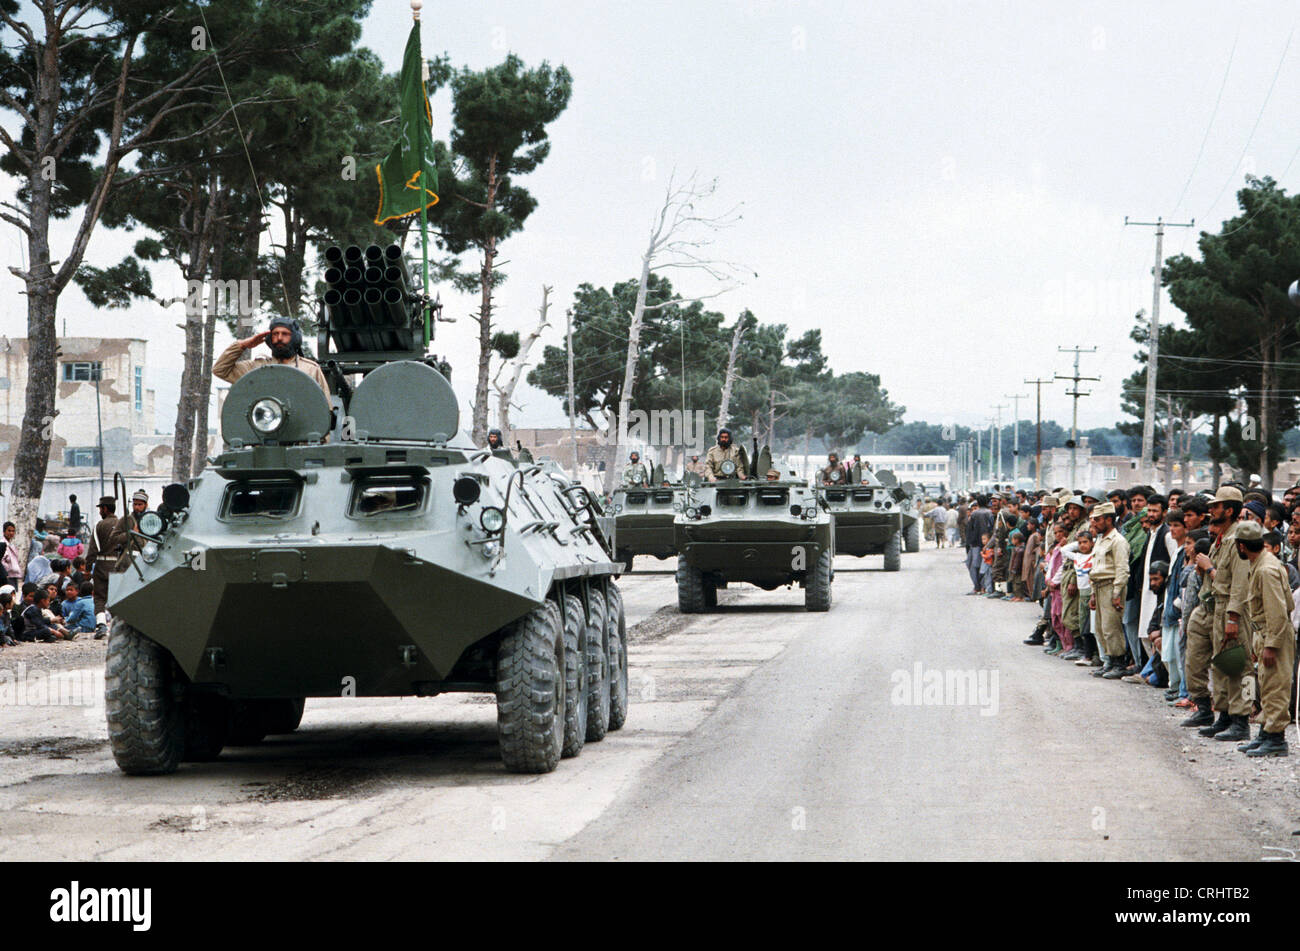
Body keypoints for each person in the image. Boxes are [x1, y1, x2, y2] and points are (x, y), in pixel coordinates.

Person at [1189, 486, 1252, 742]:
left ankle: (1242, 719)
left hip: (1231, 608)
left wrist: (1233, 617)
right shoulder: (1221, 538)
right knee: (1222, 666)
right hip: (1216, 607)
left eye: (1216, 506)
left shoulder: (1240, 539)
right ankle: (1225, 715)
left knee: (1240, 668)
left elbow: (1240, 584)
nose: (1211, 510)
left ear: (1229, 510)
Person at [1234, 521, 1295, 756]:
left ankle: (1276, 738)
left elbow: (1278, 613)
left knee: (1276, 686)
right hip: (1264, 632)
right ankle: (1266, 732)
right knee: (1267, 684)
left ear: (1242, 546)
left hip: (1274, 634)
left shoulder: (1266, 569)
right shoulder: (1259, 563)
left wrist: (1271, 645)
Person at [212, 317, 331, 402]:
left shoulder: (310, 370)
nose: (279, 338)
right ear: (269, 338)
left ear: (295, 338)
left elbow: (325, 410)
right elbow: (220, 370)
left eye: (285, 334)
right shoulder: (255, 368)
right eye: (275, 334)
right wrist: (241, 345)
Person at [1088, 501, 1131, 679]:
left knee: (1111, 626)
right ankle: (1109, 662)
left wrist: (1116, 594)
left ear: (1108, 519)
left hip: (1111, 586)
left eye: (1097, 520)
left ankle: (1119, 663)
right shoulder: (1099, 540)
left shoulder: (1118, 541)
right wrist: (1092, 593)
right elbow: (1095, 566)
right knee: (1100, 627)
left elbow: (1122, 569)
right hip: (1098, 586)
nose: (1094, 524)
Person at [85, 495, 119, 616]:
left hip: (102, 567)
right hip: (119, 568)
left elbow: (92, 550)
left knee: (99, 598)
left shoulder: (100, 525)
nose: (100, 512)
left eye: (100, 509)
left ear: (105, 509)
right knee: (117, 598)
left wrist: (87, 570)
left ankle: (101, 625)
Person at [1, 521, 21, 589]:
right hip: (6, 575)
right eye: (9, 531)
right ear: (4, 531)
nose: (11, 533)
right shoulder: (2, 544)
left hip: (13, 575)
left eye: (13, 531)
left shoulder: (11, 545)